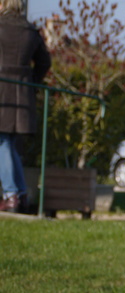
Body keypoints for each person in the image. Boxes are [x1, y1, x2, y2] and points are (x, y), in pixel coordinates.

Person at [0, 0, 51, 212]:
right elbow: (45, 62)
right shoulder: (31, 30)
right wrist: (31, 82)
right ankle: (21, 194)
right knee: (8, 143)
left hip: (2, 92)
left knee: (2, 142)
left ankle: (11, 194)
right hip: (22, 94)